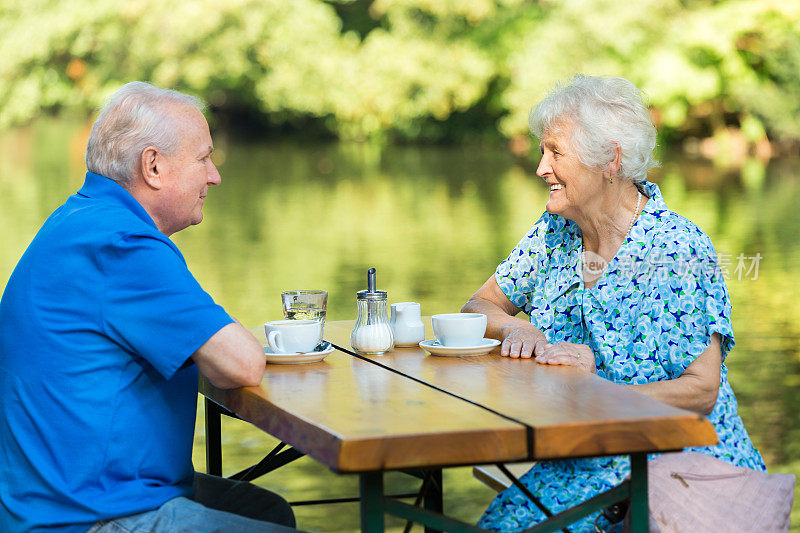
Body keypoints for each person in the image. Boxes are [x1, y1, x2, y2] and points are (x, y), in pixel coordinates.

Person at [462, 74, 765, 532]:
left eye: (555, 152)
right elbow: (479, 306)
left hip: (676, 468)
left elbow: (701, 391)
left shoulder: (676, 249)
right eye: (543, 151)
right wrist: (517, 328)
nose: (541, 167)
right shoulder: (553, 235)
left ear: (610, 160)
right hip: (586, 455)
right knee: (499, 524)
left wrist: (595, 396)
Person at [0, 82, 296, 532]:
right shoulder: (121, 243)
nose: (214, 176)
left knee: (267, 513)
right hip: (87, 515)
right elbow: (241, 364)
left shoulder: (81, 219)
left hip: (57, 495)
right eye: (203, 158)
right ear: (153, 166)